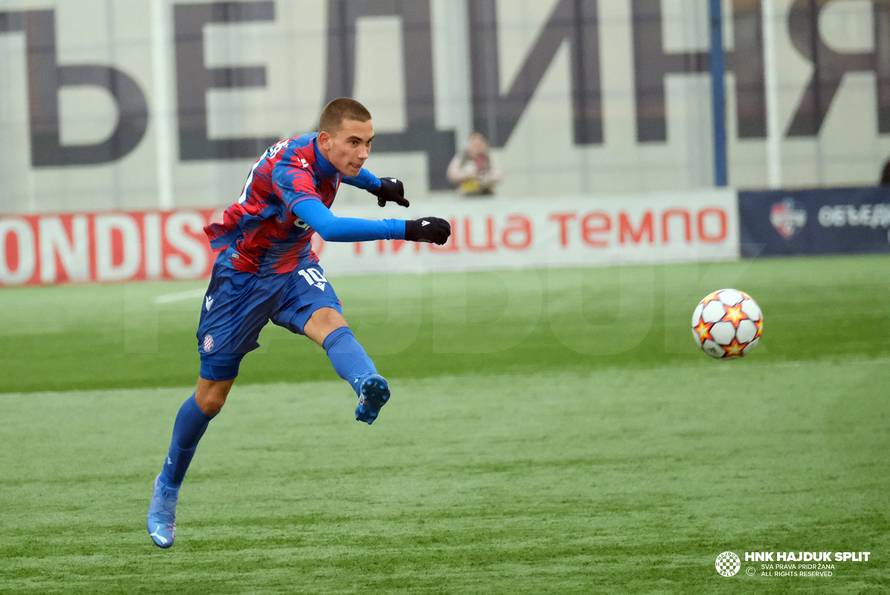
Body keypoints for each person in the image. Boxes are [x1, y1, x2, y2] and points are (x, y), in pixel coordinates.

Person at [146, 97, 451, 549]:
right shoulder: (292, 169)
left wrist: (374, 184)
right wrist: (406, 228)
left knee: (328, 319)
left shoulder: (326, 152)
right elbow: (328, 227)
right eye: (355, 143)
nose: (363, 153)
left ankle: (367, 384)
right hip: (243, 278)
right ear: (326, 139)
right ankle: (167, 487)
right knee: (211, 398)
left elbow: (344, 170)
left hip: (291, 266)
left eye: (369, 143)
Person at [446, 131, 501, 196]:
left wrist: (484, 179)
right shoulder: (461, 157)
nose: (476, 147)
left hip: (486, 194)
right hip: (465, 194)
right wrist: (468, 175)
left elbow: (498, 175)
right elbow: (452, 175)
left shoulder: (489, 157)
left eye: (479, 144)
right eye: (474, 144)